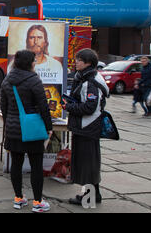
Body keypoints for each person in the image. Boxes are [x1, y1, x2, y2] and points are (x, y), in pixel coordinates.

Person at [0, 50, 53, 213]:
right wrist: (49, 126)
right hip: (32, 131)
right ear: (29, 63)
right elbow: (43, 106)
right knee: (36, 166)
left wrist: (10, 123)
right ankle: (37, 202)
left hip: (14, 130)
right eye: (34, 61)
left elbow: (4, 107)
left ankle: (18, 198)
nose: (35, 63)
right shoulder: (34, 80)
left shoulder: (7, 80)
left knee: (16, 165)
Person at [61, 49, 109, 206]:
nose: (76, 62)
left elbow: (89, 107)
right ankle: (95, 195)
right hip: (86, 127)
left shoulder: (90, 82)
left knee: (88, 164)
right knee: (88, 163)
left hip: (87, 127)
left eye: (79, 60)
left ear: (88, 63)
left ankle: (89, 198)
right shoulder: (85, 77)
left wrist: (69, 107)